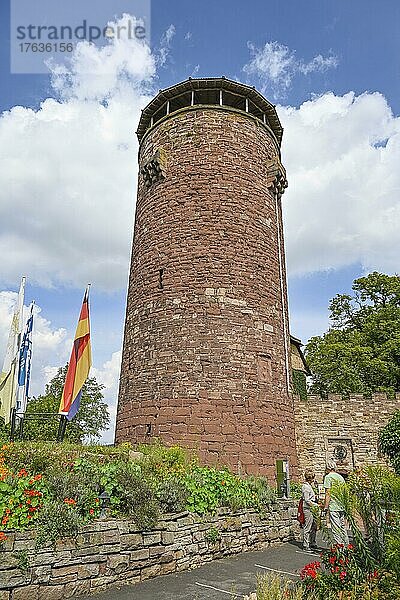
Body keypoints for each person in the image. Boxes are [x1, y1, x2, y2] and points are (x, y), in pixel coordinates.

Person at [323, 459, 349, 545]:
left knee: (336, 528)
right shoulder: (340, 477)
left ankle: (339, 549)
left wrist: (325, 507)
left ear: (328, 468)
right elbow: (345, 492)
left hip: (334, 506)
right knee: (342, 528)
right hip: (341, 505)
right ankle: (347, 547)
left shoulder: (328, 477)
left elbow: (328, 493)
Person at [302, 470, 319, 551]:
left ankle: (312, 542)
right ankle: (306, 544)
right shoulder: (305, 487)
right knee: (308, 527)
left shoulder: (310, 486)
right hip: (308, 509)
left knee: (314, 526)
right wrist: (316, 505)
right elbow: (307, 500)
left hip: (312, 508)